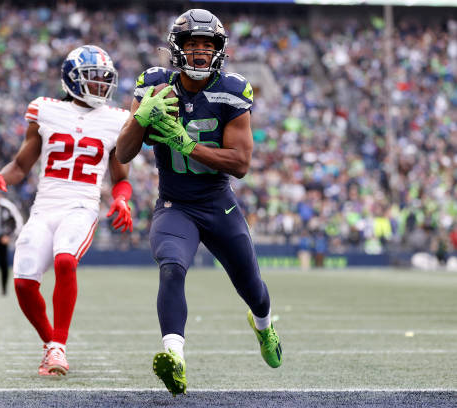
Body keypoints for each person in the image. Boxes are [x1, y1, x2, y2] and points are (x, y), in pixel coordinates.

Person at [116, 9, 282, 396]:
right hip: (175, 204)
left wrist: (186, 144)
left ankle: (264, 326)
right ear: (178, 49)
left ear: (219, 50)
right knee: (172, 267)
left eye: (209, 45)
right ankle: (175, 357)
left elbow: (240, 164)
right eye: (194, 44)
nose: (202, 52)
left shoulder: (232, 89)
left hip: (218, 203)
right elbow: (123, 153)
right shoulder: (154, 85)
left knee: (252, 286)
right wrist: (140, 117)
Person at [0, 45, 133, 377]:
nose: (100, 87)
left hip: (82, 206)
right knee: (22, 281)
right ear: (71, 81)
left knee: (65, 260)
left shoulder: (117, 119)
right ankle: (51, 345)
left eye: (104, 80)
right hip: (44, 207)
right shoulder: (45, 110)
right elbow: (21, 165)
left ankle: (59, 347)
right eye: (92, 79)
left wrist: (121, 200)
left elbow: (121, 179)